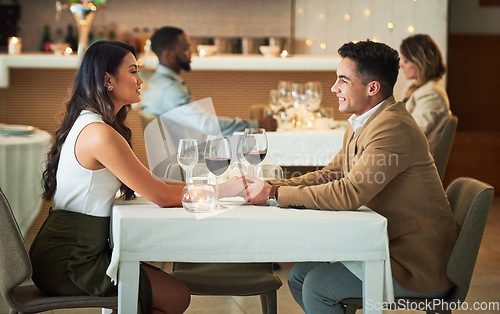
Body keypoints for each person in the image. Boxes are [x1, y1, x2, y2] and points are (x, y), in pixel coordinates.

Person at [241, 40, 459, 313]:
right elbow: (331, 175)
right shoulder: (363, 121)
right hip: (387, 245)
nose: (334, 88)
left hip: (415, 264)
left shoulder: (393, 127)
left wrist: (274, 195)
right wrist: (273, 185)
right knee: (298, 276)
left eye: (342, 80)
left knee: (316, 286)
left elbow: (349, 192)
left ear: (372, 88)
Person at [28, 40, 244, 314]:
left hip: (74, 253)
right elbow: (160, 196)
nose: (141, 80)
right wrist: (224, 192)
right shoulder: (100, 134)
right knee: (176, 296)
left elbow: (153, 183)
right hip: (69, 262)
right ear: (108, 79)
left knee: (166, 294)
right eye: (133, 71)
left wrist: (214, 186)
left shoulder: (92, 123)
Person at [140, 26, 277, 136]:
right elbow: (208, 126)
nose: (190, 53)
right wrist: (256, 125)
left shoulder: (161, 82)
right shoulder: (168, 88)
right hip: (187, 162)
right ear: (168, 55)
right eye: (185, 48)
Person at [399, 34, 452, 155]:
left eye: (406, 60)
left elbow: (412, 133)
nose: (401, 65)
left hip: (414, 163)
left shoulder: (432, 94)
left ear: (420, 62)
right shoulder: (415, 87)